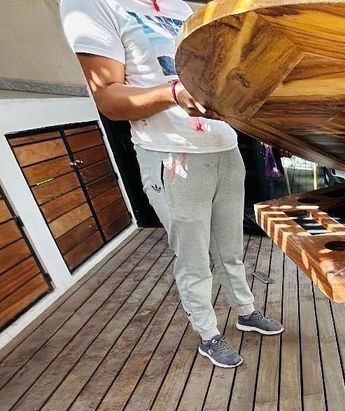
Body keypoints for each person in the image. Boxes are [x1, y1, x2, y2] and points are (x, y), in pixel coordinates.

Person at [61, 0, 283, 369]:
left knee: (230, 248)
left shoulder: (180, 7)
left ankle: (245, 311)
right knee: (194, 258)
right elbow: (108, 98)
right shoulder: (92, 4)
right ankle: (208, 334)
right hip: (171, 154)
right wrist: (172, 93)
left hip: (225, 148)